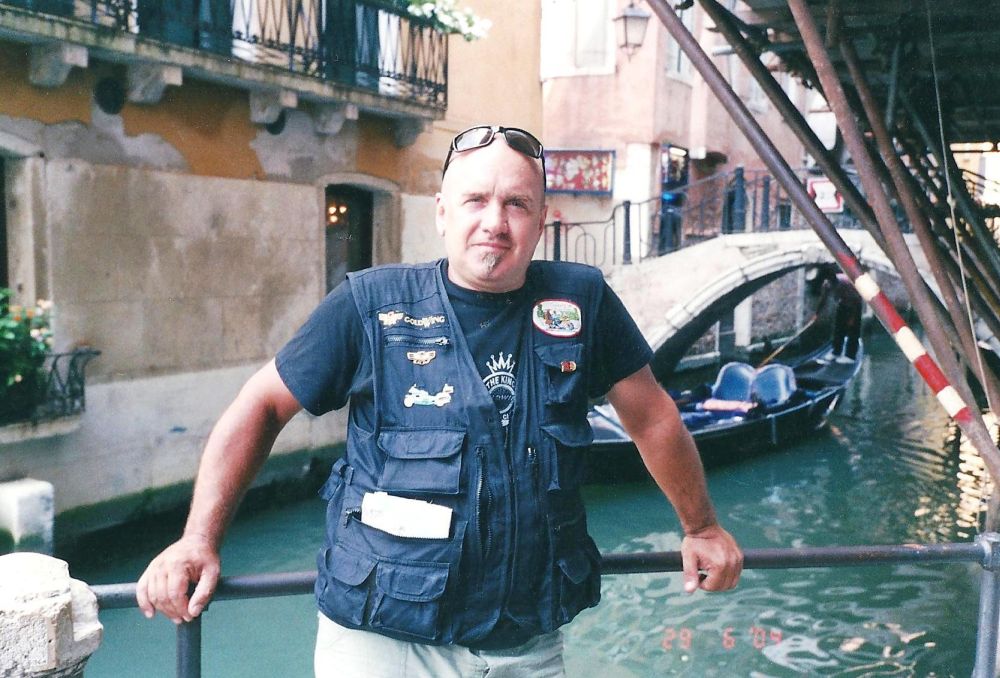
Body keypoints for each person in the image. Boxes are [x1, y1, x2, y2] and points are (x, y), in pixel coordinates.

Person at [136, 124, 743, 676]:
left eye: (516, 204)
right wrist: (199, 540)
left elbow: (652, 417)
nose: (495, 221)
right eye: (476, 200)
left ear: (542, 220)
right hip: (384, 644)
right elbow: (261, 407)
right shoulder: (370, 306)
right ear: (442, 213)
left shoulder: (581, 302)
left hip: (526, 644)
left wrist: (702, 527)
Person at [813, 267, 863, 363]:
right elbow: (823, 300)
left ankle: (850, 356)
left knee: (853, 331)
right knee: (838, 329)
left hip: (855, 305)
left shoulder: (846, 282)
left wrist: (852, 318)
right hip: (843, 303)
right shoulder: (827, 284)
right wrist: (817, 314)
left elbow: (856, 299)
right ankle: (836, 352)